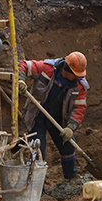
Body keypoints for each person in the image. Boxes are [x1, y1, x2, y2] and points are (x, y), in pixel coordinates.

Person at [18, 52, 88, 180]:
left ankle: (71, 179)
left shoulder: (79, 85)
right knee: (38, 149)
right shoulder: (48, 68)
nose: (76, 77)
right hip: (37, 116)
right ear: (67, 69)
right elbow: (24, 65)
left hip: (59, 118)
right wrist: (20, 80)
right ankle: (37, 186)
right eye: (75, 74)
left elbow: (79, 108)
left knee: (68, 145)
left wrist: (71, 127)